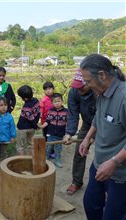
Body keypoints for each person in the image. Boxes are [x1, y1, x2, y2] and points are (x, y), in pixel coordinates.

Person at [78, 54, 126, 220]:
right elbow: (99, 118)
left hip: (119, 172)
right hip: (99, 164)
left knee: (114, 215)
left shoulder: (124, 97)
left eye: (88, 81)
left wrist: (114, 162)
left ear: (102, 75)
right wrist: (87, 138)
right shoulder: (101, 93)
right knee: (91, 204)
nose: (87, 85)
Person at [63, 70, 96, 195]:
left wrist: (94, 136)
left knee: (104, 154)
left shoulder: (98, 92)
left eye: (82, 87)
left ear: (89, 83)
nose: (79, 90)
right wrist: (69, 133)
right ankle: (77, 181)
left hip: (104, 125)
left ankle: (106, 186)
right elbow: (73, 114)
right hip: (87, 124)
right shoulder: (74, 92)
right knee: (79, 152)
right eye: (77, 87)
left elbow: (102, 116)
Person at [39, 93, 67, 168]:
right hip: (50, 134)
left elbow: (68, 123)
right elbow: (47, 121)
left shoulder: (66, 111)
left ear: (62, 101)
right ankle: (45, 160)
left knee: (58, 149)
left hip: (60, 135)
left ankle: (57, 160)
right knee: (48, 147)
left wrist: (67, 134)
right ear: (52, 103)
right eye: (55, 102)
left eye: (58, 101)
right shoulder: (50, 111)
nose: (57, 103)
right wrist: (42, 126)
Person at [0, 97, 16, 174]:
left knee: (4, 153)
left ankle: (3, 166)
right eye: (1, 105)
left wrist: (12, 136)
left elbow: (12, 127)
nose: (3, 107)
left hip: (6, 139)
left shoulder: (9, 117)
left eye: (5, 105)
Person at [16, 85, 40, 155]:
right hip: (32, 128)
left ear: (25, 98)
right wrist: (35, 125)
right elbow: (38, 113)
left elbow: (30, 118)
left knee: (20, 146)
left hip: (22, 128)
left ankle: (22, 160)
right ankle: (31, 158)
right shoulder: (36, 101)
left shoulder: (26, 106)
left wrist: (35, 125)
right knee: (30, 144)